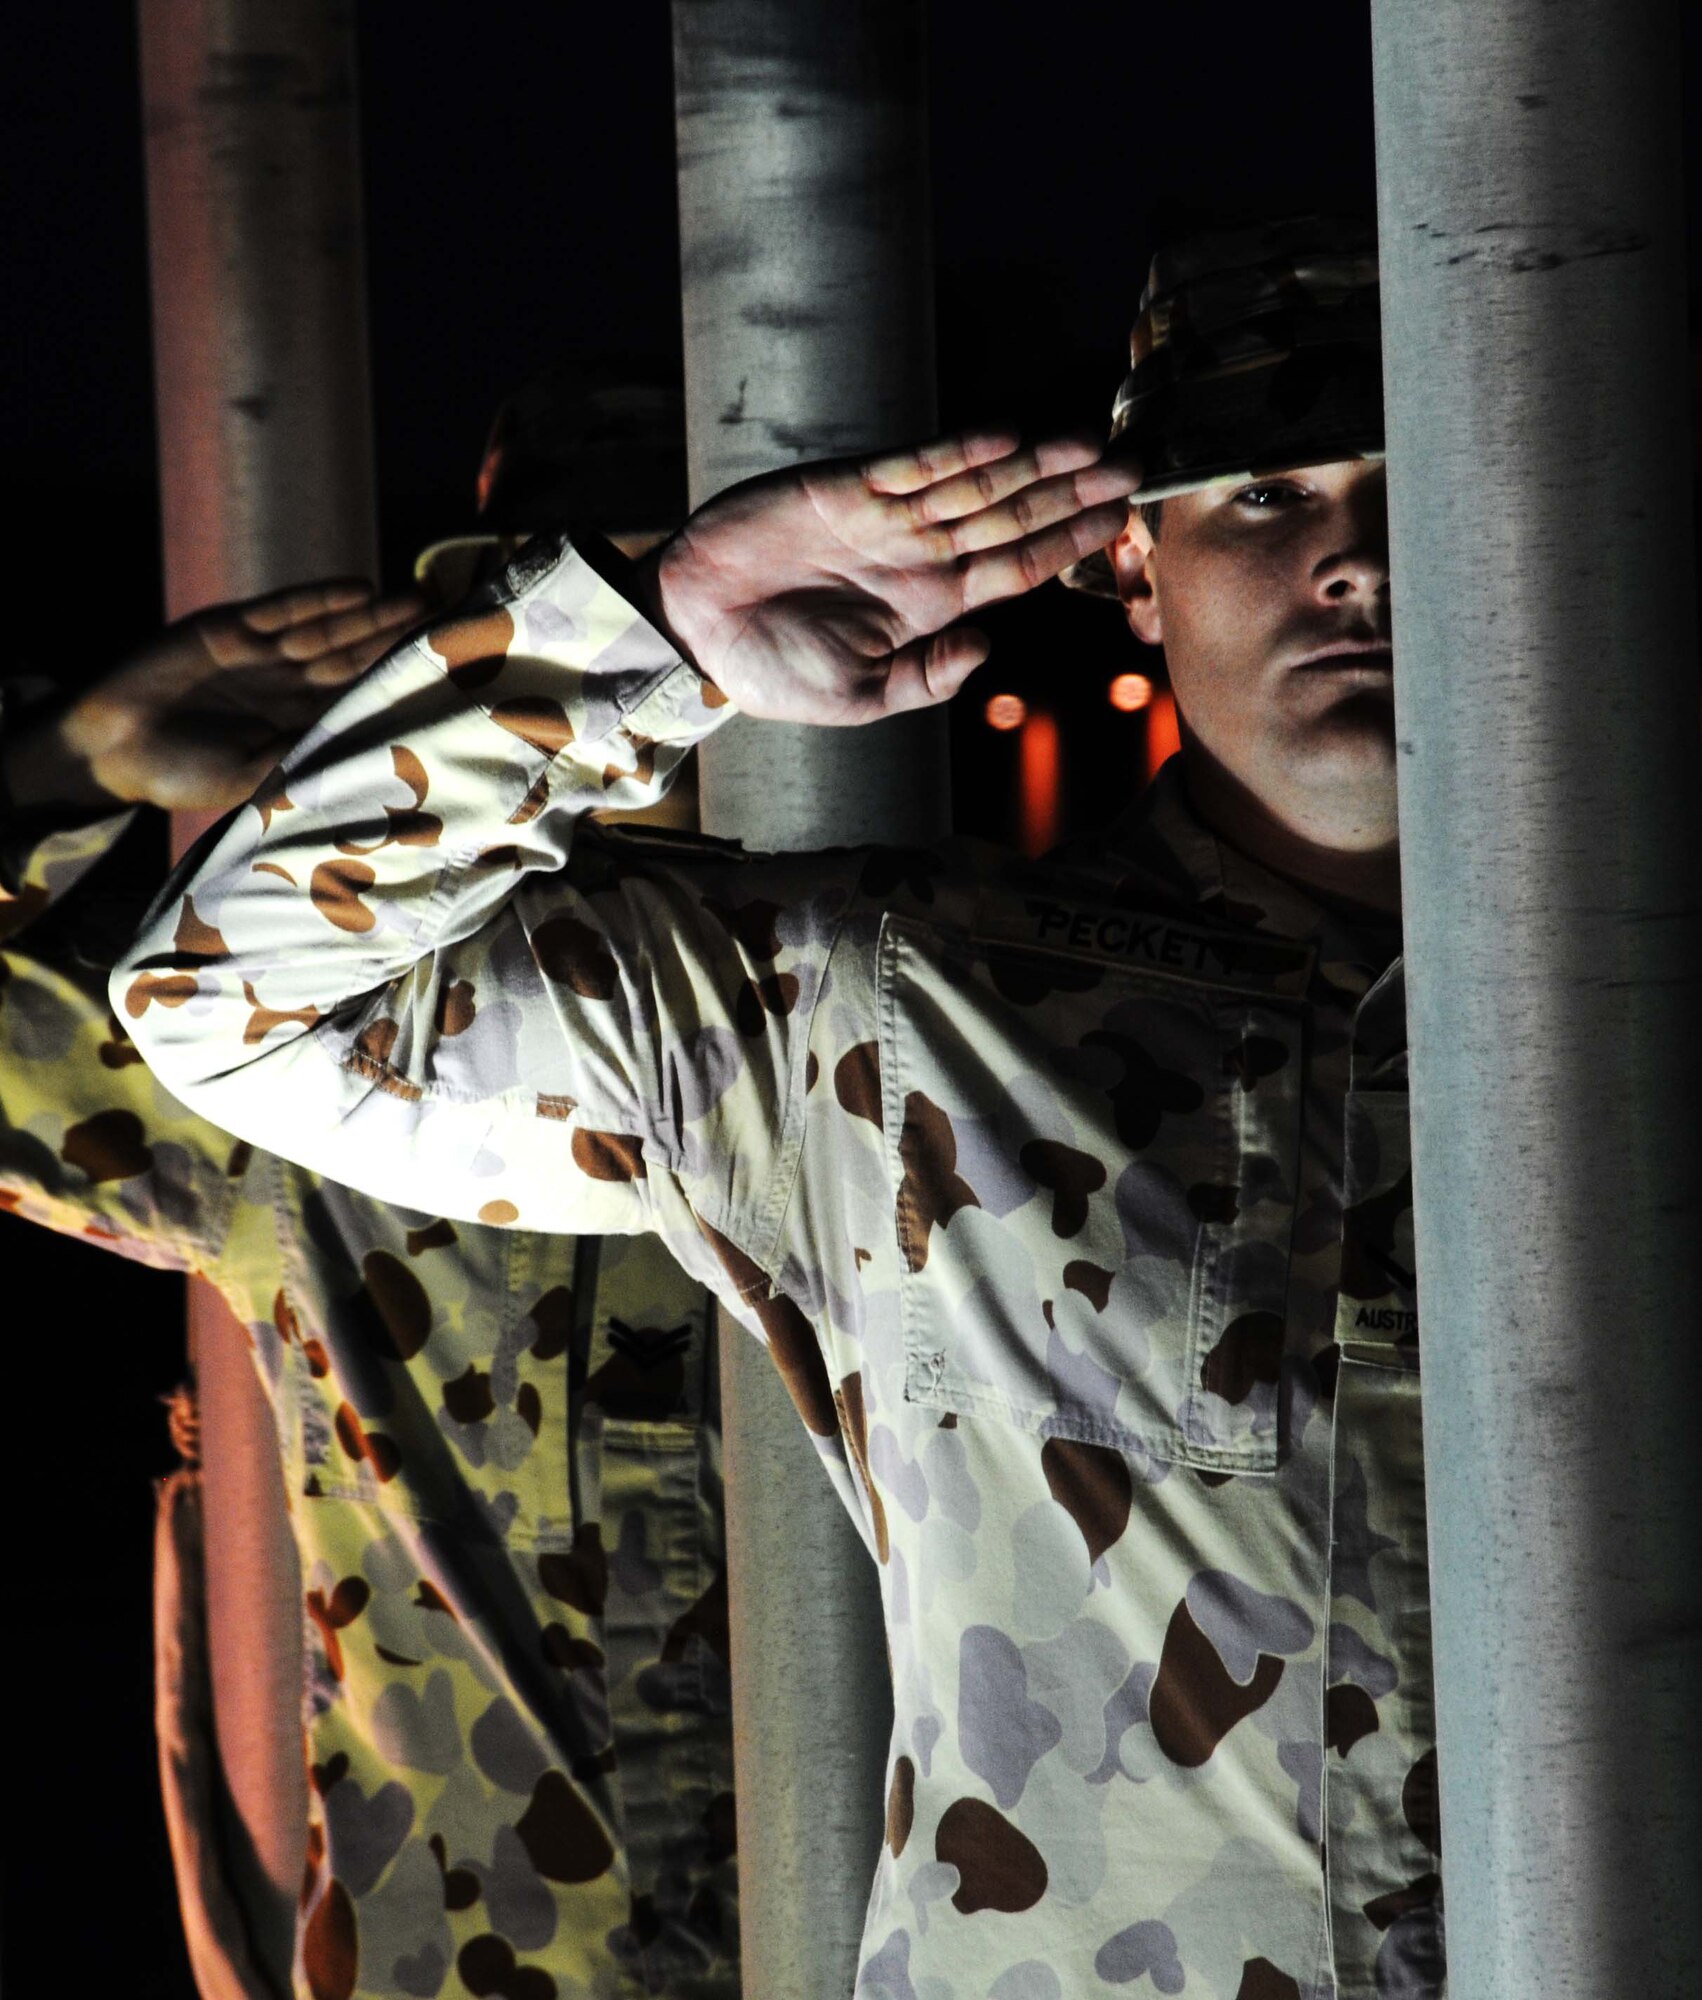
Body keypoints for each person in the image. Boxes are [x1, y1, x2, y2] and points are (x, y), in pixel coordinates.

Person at [115, 219, 1439, 2000]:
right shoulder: (903, 1013)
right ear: (1131, 562)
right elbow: (236, 1005)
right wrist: (660, 640)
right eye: (1260, 498)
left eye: (1420, 475)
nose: (1352, 560)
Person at [3, 368, 742, 2000]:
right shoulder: (330, 1069)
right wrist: (67, 766)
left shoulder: (943, 1010)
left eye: (696, 615)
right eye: (584, 621)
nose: (652, 694)